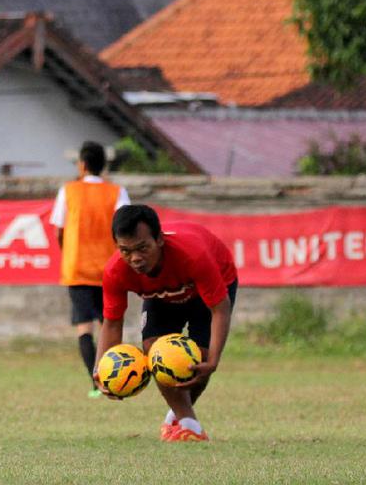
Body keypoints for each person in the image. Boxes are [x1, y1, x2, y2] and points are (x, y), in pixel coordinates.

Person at [93, 204, 238, 442]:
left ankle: (176, 417)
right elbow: (112, 323)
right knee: (155, 351)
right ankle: (190, 426)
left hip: (209, 290)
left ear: (159, 240)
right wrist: (100, 371)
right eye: (126, 251)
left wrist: (214, 359)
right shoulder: (115, 271)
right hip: (161, 297)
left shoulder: (194, 255)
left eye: (142, 248)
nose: (135, 258)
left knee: (197, 361)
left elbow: (220, 309)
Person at [49, 141, 129, 398]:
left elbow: (59, 230)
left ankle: (96, 383)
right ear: (104, 165)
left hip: (78, 269)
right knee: (111, 325)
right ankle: (116, 378)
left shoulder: (69, 191)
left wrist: (69, 252)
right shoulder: (117, 192)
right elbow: (126, 228)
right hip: (110, 269)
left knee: (84, 329)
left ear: (82, 165)